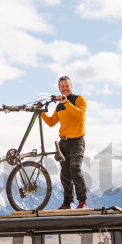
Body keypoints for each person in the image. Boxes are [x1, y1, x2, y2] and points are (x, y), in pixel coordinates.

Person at [41, 76, 88, 209]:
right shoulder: (59, 106)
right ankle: (67, 203)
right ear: (59, 88)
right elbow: (51, 122)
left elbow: (80, 115)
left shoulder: (79, 99)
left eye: (67, 86)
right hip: (63, 143)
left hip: (77, 141)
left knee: (75, 169)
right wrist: (41, 112)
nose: (65, 89)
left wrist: (67, 102)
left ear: (71, 87)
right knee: (65, 173)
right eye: (62, 87)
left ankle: (83, 201)